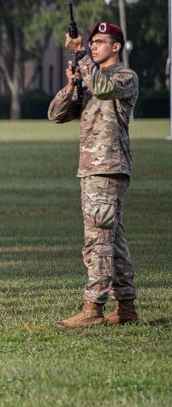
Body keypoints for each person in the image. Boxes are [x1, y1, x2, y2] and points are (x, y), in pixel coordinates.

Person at [48, 21, 140, 328]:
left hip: (109, 166)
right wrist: (73, 85)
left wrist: (82, 58)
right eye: (92, 42)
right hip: (91, 168)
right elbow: (56, 115)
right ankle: (125, 307)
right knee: (113, 239)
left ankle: (93, 308)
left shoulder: (124, 77)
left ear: (116, 46)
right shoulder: (89, 78)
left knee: (97, 240)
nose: (94, 46)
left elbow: (103, 88)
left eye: (100, 42)